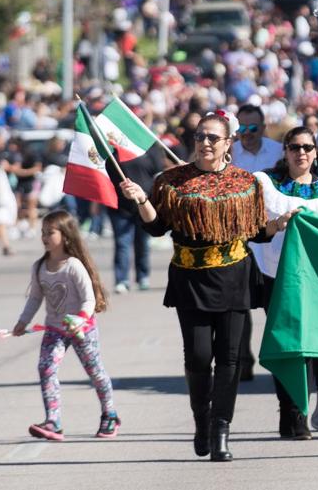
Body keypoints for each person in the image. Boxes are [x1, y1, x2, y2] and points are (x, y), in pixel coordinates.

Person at [118, 112, 295, 463]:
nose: (206, 143)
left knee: (230, 359)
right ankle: (201, 421)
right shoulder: (171, 181)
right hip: (190, 279)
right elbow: (157, 229)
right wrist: (141, 200)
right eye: (201, 136)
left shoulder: (246, 183)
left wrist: (279, 224)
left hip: (235, 277)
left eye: (214, 137)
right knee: (199, 357)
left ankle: (221, 431)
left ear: (228, 143)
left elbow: (256, 231)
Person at [252, 126, 318, 440]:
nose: (301, 153)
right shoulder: (267, 183)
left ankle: (300, 411)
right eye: (295, 147)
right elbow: (256, 229)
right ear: (285, 150)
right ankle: (291, 412)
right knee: (288, 347)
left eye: (307, 147)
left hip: (315, 280)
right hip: (276, 276)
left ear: (315, 152)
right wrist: (278, 224)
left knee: (307, 347)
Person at [13, 209, 120, 441]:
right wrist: (23, 321)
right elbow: (35, 298)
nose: (44, 237)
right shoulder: (40, 266)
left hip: (82, 328)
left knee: (95, 371)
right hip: (55, 329)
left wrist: (80, 318)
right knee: (46, 368)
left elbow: (89, 298)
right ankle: (53, 421)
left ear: (66, 236)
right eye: (42, 232)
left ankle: (109, 414)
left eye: (50, 232)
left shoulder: (73, 266)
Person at [230, 103, 283, 380]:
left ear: (263, 127)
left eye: (253, 128)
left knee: (272, 302)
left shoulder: (278, 152)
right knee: (239, 302)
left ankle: (279, 357)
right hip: (239, 237)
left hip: (272, 235)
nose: (247, 134)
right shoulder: (229, 152)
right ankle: (242, 360)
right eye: (241, 128)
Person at [104, 141, 172, 294]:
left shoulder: (150, 146)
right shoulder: (112, 148)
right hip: (119, 206)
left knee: (142, 242)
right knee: (122, 243)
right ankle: (122, 280)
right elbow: (104, 175)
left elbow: (158, 172)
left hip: (144, 204)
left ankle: (142, 276)